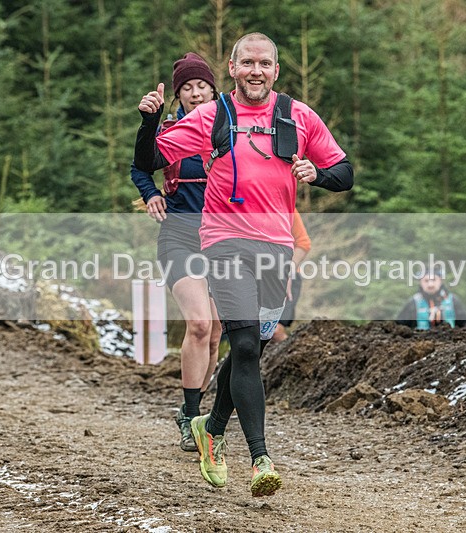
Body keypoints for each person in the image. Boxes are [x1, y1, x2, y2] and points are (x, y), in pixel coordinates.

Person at [135, 32, 353, 497]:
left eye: (265, 63)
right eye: (247, 63)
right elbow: (150, 159)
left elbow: (345, 173)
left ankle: (210, 428)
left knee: (251, 344)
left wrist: (319, 173)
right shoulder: (213, 115)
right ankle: (260, 458)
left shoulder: (298, 116)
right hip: (223, 241)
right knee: (244, 345)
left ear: (276, 70)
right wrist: (149, 122)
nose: (256, 71)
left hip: (275, 244)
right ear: (231, 69)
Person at [130, 53, 222, 453]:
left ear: (214, 91)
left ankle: (203, 418)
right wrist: (150, 194)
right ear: (178, 97)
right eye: (187, 88)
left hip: (223, 237)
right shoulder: (168, 131)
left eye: (202, 86)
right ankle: (189, 415)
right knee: (200, 325)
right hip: (180, 233)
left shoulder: (230, 131)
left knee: (217, 334)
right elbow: (139, 166)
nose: (196, 93)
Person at [272, 210, 311, 342]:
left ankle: (289, 357)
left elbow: (303, 243)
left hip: (289, 277)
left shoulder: (288, 209)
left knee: (274, 330)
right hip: (257, 277)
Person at [396, 265, 466, 330]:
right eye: (426, 281)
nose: (430, 284)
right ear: (420, 282)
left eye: (434, 280)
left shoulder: (452, 300)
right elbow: (399, 327)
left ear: (440, 281)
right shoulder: (413, 303)